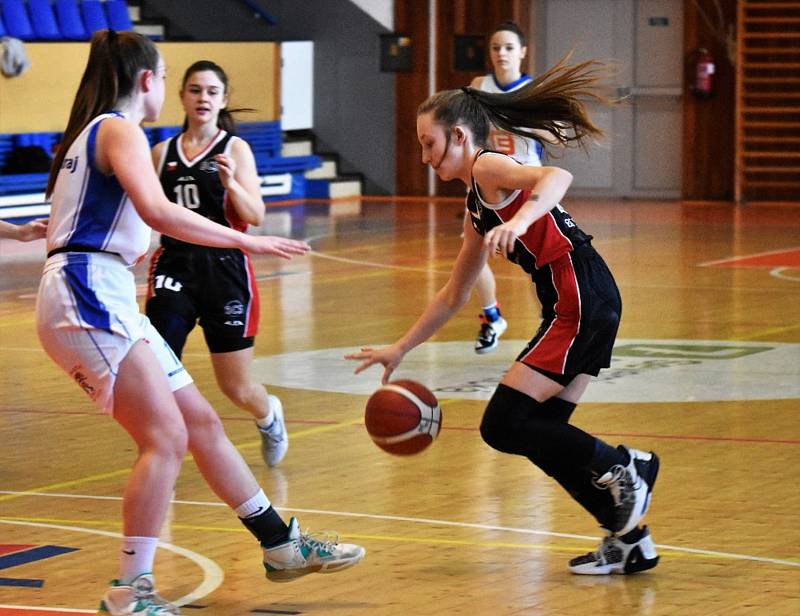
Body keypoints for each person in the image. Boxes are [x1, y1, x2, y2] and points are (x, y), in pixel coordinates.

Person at [35, 30, 364, 616]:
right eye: (166, 77)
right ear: (147, 81)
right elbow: (161, 212)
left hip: (102, 291)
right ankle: (129, 590)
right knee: (164, 438)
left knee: (202, 422)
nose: (167, 88)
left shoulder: (95, 133)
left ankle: (280, 544)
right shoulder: (119, 129)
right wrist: (247, 239)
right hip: (87, 292)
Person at [347, 54, 660, 576]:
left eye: (429, 143)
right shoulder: (476, 205)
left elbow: (557, 175)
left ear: (460, 138)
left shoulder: (489, 168)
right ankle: (629, 540)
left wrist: (524, 217)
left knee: (502, 425)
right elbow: (454, 293)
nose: (424, 156)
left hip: (579, 295)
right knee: (542, 434)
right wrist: (399, 347)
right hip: (581, 299)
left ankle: (627, 466)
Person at [144, 60, 287, 468]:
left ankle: (268, 414)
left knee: (236, 387)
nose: (202, 98)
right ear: (182, 97)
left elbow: (255, 214)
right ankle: (162, 449)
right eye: (195, 90)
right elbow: (148, 211)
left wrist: (231, 184)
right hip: (175, 264)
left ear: (223, 100)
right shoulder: (161, 153)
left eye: (211, 92)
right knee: (159, 359)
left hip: (226, 268)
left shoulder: (234, 149)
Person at [468, 20, 543, 354]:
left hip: (525, 181)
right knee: (470, 256)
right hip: (488, 183)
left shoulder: (534, 90)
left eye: (509, 47)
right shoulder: (478, 86)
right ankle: (492, 316)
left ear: (523, 53)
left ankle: (549, 327)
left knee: (537, 266)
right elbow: (466, 134)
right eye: (496, 47)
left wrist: (529, 122)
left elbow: (555, 135)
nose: (501, 53)